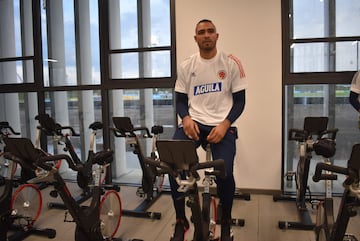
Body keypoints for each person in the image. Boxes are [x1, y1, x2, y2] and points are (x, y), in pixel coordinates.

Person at [169, 19, 247, 241]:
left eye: (210, 31)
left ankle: (225, 220)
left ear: (217, 36)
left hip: (221, 126)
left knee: (226, 173)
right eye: (201, 32)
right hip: (194, 123)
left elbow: (240, 102)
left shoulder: (231, 62)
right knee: (172, 165)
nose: (206, 35)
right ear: (196, 38)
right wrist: (185, 118)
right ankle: (180, 220)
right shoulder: (187, 65)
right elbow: (181, 101)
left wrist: (225, 123)